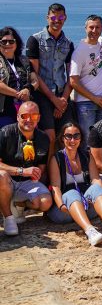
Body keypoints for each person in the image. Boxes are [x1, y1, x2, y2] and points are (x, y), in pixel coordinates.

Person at [47, 122, 102, 245]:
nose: (73, 140)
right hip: (65, 210)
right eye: (68, 136)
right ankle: (90, 231)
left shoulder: (87, 155)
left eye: (76, 136)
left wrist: (100, 195)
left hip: (85, 205)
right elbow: (55, 187)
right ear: (62, 138)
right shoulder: (57, 159)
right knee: (71, 192)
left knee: (96, 188)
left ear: (81, 138)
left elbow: (95, 179)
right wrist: (62, 206)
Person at [26, 3, 75, 148]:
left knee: (68, 136)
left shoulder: (68, 44)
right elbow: (33, 74)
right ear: (47, 18)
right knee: (50, 138)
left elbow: (71, 75)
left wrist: (63, 101)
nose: (57, 20)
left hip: (61, 96)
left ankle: (63, 168)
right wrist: (54, 100)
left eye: (60, 17)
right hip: (42, 95)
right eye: (53, 17)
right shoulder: (35, 40)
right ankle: (47, 170)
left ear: (65, 18)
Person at [0, 101, 52, 236]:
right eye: (24, 116)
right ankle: (8, 217)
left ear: (39, 118)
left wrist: (37, 173)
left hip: (26, 183)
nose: (29, 120)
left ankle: (18, 204)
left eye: (33, 116)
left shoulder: (43, 138)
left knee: (45, 202)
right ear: (17, 117)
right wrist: (21, 171)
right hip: (7, 180)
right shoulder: (5, 133)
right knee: (1, 176)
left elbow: (42, 164)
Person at [69, 16, 102, 131]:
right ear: (85, 28)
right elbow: (73, 81)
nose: (94, 30)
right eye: (91, 27)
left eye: (97, 27)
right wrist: (94, 98)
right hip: (86, 103)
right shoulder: (79, 51)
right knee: (87, 140)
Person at [0, 27, 37, 129]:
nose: (8, 44)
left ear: (17, 43)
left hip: (26, 109)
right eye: (4, 42)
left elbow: (35, 80)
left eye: (11, 41)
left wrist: (28, 89)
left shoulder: (24, 60)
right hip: (5, 111)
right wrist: (19, 94)